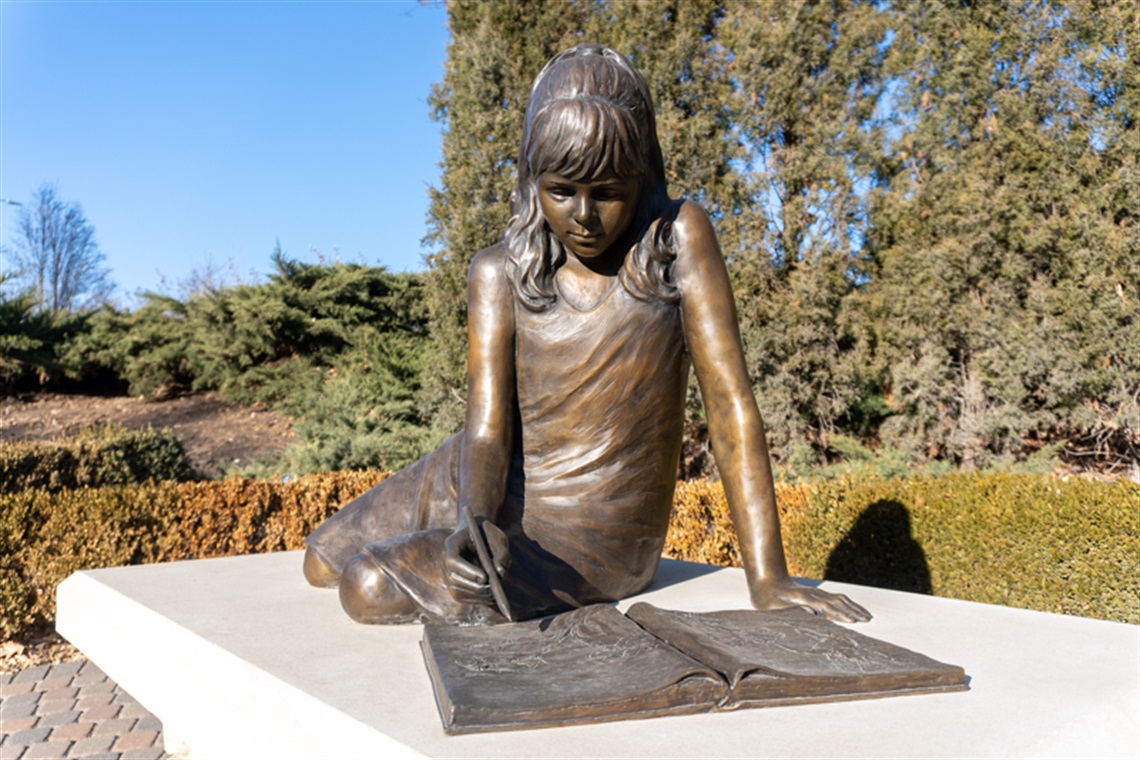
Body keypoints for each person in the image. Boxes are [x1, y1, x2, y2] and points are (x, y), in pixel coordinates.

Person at [303, 44, 870, 627]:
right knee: (322, 560)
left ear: (640, 180)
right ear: (532, 182)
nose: (583, 214)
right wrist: (476, 524)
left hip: (589, 535)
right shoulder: (497, 271)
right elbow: (486, 429)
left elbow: (730, 406)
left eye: (607, 193)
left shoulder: (676, 241)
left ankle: (465, 544)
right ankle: (458, 532)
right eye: (561, 191)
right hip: (487, 476)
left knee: (366, 585)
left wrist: (769, 577)